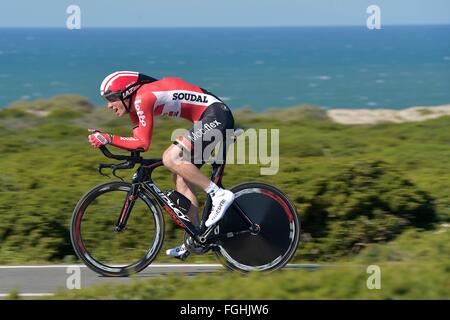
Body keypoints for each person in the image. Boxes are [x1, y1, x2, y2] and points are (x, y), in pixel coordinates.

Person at [88, 71, 235, 260]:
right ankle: (196, 238)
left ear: (127, 92)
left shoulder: (143, 98)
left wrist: (108, 138)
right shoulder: (135, 106)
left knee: (171, 157)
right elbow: (138, 141)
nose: (109, 105)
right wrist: (111, 141)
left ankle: (219, 195)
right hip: (207, 118)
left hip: (216, 114)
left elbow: (142, 144)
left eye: (112, 98)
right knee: (181, 179)